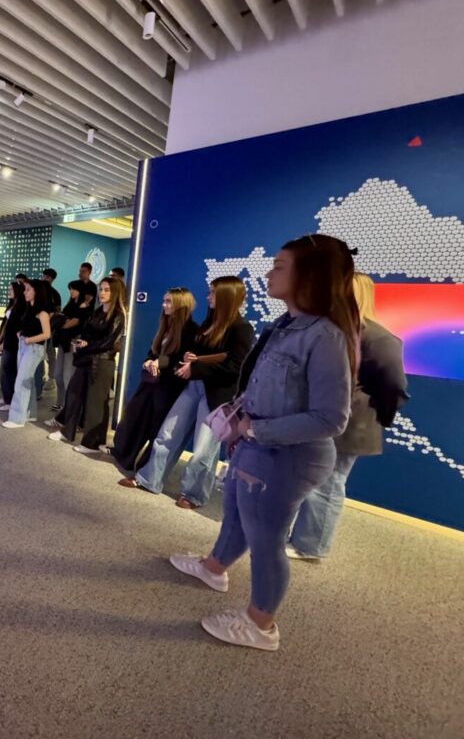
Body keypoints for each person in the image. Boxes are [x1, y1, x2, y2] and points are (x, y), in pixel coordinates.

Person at [169, 234, 358, 652]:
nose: (269, 273)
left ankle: (260, 623)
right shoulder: (283, 326)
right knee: (237, 512)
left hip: (287, 457)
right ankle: (214, 567)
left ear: (309, 276)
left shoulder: (325, 337)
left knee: (266, 539)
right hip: (257, 447)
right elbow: (260, 386)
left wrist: (254, 430)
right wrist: (239, 423)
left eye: (279, 266)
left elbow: (331, 418)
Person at [288, 272, 408, 560]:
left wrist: (365, 409)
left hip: (350, 425)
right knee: (310, 478)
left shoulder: (379, 338)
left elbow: (394, 388)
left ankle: (310, 545)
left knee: (328, 483)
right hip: (318, 418)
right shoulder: (329, 331)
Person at [129, 277, 254, 508]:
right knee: (168, 434)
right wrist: (190, 358)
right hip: (193, 386)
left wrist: (196, 368)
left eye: (213, 293)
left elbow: (236, 366)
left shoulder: (242, 329)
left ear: (226, 296)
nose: (208, 297)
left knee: (204, 449)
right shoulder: (209, 322)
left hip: (217, 395)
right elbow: (197, 351)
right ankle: (150, 479)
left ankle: (193, 494)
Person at [111, 288, 198, 479]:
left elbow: (180, 359)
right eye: (164, 300)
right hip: (151, 382)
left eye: (169, 301)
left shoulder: (191, 330)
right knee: (136, 418)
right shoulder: (166, 325)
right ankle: (125, 456)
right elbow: (153, 350)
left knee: (156, 428)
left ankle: (145, 470)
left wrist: (160, 363)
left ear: (181, 304)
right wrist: (149, 361)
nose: (164, 305)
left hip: (169, 387)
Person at [48, 277, 127, 452]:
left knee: (95, 404)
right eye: (101, 289)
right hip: (86, 360)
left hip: (102, 363)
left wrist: (85, 346)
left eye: (107, 290)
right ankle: (67, 431)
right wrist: (82, 342)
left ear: (115, 292)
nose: (102, 292)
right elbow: (87, 333)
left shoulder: (118, 316)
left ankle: (92, 443)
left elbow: (107, 343)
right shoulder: (98, 311)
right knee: (73, 394)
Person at [3, 279, 52, 428]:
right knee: (27, 381)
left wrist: (30, 340)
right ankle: (30, 413)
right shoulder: (29, 309)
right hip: (24, 346)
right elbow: (26, 327)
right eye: (25, 290)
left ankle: (17, 419)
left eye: (28, 289)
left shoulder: (42, 312)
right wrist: (21, 334)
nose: (25, 292)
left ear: (37, 292)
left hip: (34, 348)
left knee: (21, 381)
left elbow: (47, 334)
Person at [51, 280, 90, 410]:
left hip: (73, 341)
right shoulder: (70, 304)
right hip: (63, 341)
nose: (72, 291)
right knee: (58, 374)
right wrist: (62, 322)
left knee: (68, 375)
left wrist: (61, 323)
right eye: (71, 289)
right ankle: (60, 402)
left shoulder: (84, 305)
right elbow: (64, 320)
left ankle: (69, 406)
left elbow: (74, 322)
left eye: (74, 289)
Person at [0, 281, 25, 410]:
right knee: (4, 371)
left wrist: (4, 341)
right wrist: (0, 339)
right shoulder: (13, 304)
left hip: (13, 343)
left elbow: (15, 327)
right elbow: (6, 325)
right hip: (7, 341)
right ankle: (6, 396)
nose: (9, 291)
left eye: (11, 289)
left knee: (8, 371)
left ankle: (10, 400)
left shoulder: (22, 306)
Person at [36, 269, 61, 401]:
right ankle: (40, 378)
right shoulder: (38, 291)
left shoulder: (55, 294)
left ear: (52, 279)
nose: (44, 278)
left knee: (50, 354)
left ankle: (52, 378)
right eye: (43, 275)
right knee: (38, 356)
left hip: (49, 330)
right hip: (36, 330)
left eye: (47, 276)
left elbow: (57, 312)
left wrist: (49, 323)